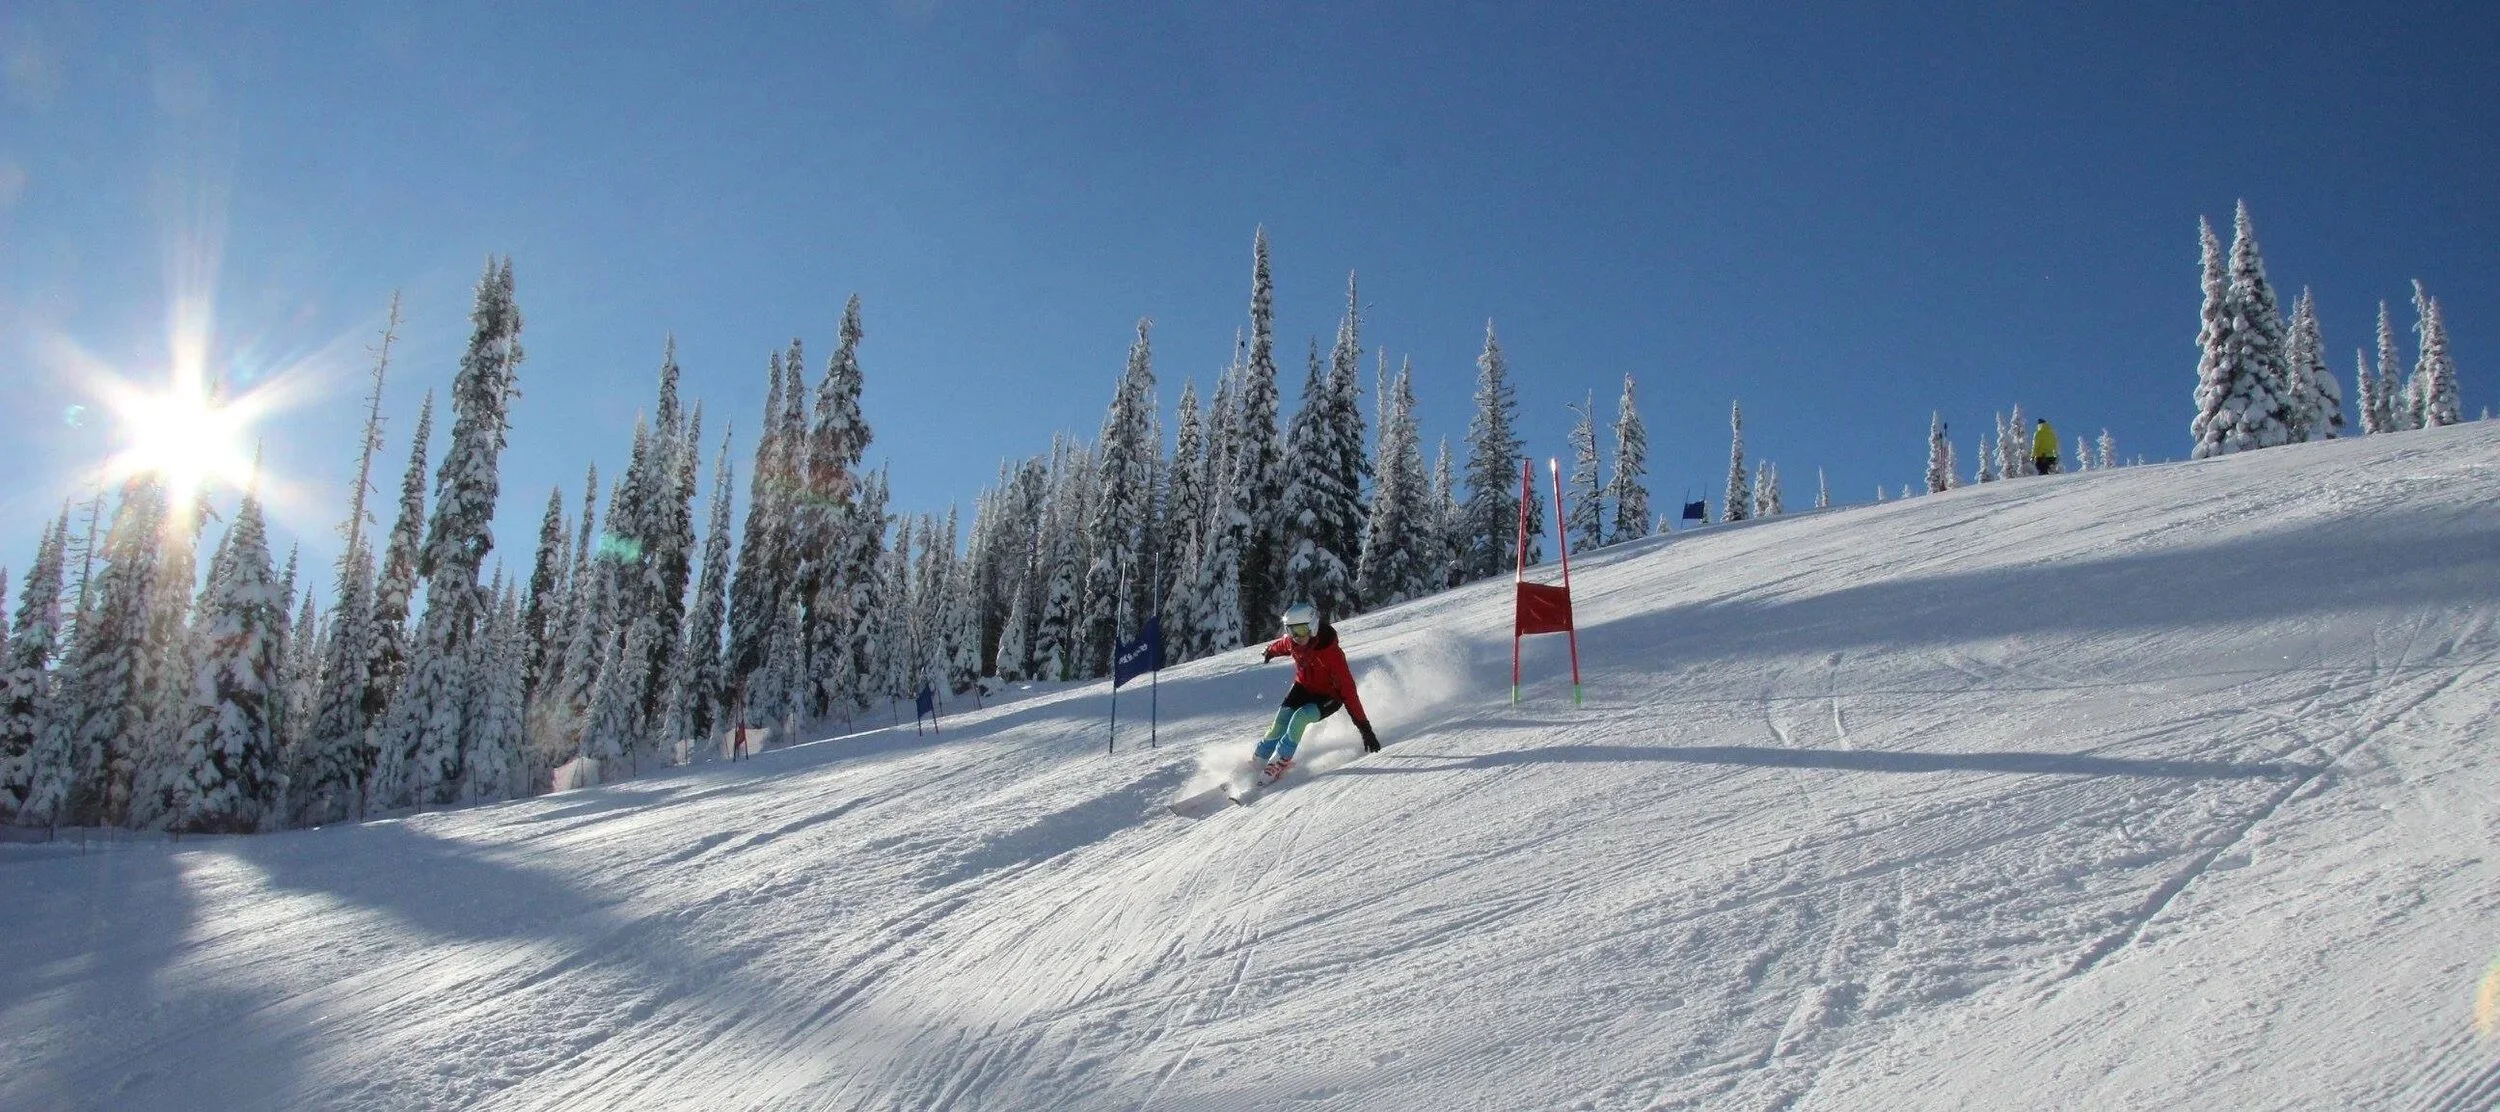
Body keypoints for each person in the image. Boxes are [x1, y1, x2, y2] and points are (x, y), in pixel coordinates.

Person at [1255, 601, 1381, 782]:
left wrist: (1365, 728)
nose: (1296, 636)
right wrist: (1270, 651)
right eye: (1291, 630)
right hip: (1303, 687)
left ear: (1312, 626)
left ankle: (1281, 760)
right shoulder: (1294, 642)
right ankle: (1260, 757)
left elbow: (1348, 691)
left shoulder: (1331, 654)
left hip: (1329, 696)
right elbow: (1283, 644)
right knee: (1280, 722)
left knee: (1300, 718)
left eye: (1300, 630)